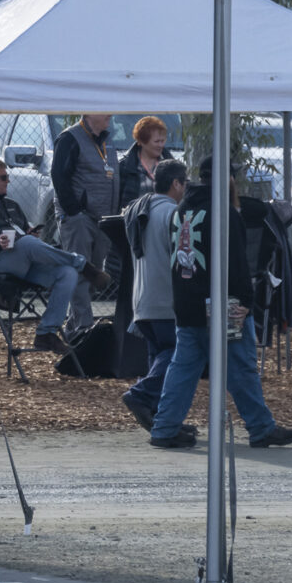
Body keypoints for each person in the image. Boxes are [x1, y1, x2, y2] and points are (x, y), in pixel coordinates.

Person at [146, 157, 292, 450]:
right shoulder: (224, 213)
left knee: (183, 367)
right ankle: (261, 428)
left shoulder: (182, 210)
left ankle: (164, 428)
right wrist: (246, 299)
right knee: (241, 365)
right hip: (222, 303)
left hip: (186, 302)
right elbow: (236, 262)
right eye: (233, 177)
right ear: (227, 180)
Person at [119, 156, 192, 441]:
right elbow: (183, 260)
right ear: (175, 183)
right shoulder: (174, 214)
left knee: (158, 357)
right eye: (184, 183)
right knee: (175, 355)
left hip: (142, 300)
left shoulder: (140, 208)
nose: (186, 189)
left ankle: (162, 417)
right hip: (165, 299)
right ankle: (141, 395)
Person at [0, 157, 85, 351]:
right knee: (30, 243)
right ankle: (81, 262)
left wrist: (29, 232)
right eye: (3, 177)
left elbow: (23, 230)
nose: (8, 181)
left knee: (67, 273)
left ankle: (46, 332)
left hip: (24, 264)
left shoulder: (12, 205)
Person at [51, 112, 121, 329]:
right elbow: (59, 176)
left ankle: (74, 328)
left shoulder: (107, 140)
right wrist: (74, 211)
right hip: (79, 219)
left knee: (94, 275)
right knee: (80, 273)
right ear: (90, 113)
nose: (110, 114)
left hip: (103, 218)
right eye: (104, 110)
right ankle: (84, 327)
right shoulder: (70, 138)